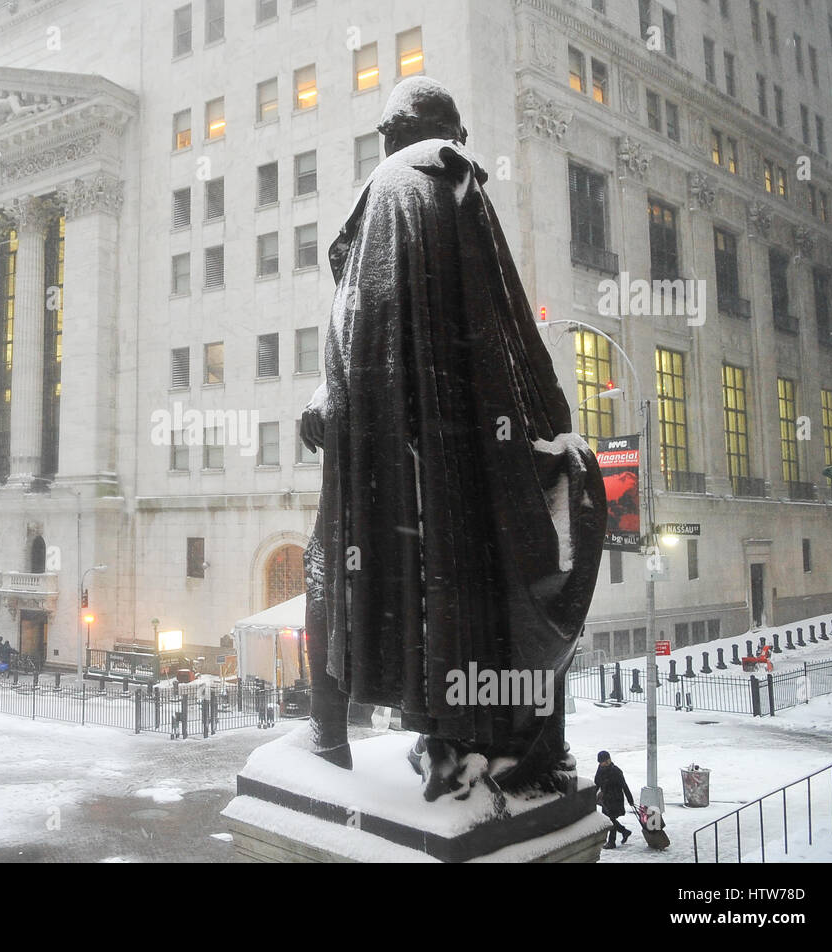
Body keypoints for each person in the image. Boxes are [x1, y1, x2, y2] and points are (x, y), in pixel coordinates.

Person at [300, 75, 606, 800]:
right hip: (458, 446)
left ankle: (333, 733)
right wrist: (545, 423)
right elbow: (506, 325)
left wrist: (333, 397)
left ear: (391, 134)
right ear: (444, 130)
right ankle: (471, 736)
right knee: (456, 582)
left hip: (390, 446)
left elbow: (359, 315)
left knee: (336, 567)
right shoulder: (451, 184)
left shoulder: (394, 185)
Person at [594, 750, 635, 849]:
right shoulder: (600, 769)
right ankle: (624, 831)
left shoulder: (616, 771)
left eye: (603, 761)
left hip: (615, 798)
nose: (601, 764)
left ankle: (612, 842)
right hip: (606, 799)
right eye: (600, 762)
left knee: (611, 819)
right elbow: (597, 783)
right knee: (609, 819)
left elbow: (624, 786)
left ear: (608, 760)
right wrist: (592, 794)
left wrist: (630, 800)